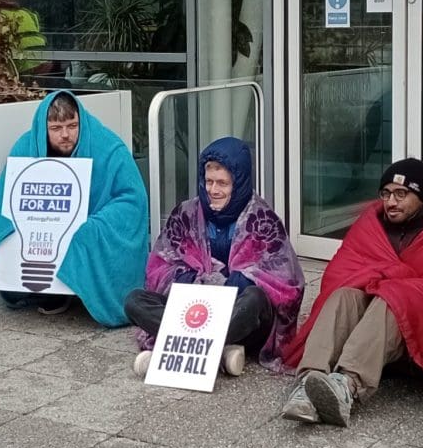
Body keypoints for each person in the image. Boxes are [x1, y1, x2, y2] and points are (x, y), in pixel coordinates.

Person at [280, 159, 423, 427]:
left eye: (401, 194)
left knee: (393, 299)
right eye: (386, 193)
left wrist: (392, 281)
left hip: (410, 326)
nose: (391, 202)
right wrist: (380, 279)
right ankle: (309, 381)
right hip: (369, 312)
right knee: (342, 294)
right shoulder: (371, 223)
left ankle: (347, 385)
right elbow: (342, 270)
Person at [125, 137, 305, 379]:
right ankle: (220, 351)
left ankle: (174, 349)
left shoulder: (263, 220)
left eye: (223, 183)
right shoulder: (185, 214)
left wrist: (235, 283)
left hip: (238, 312)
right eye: (208, 181)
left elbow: (287, 284)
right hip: (192, 307)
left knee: (255, 299)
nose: (213, 190)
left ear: (238, 183)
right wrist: (192, 280)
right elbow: (160, 266)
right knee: (134, 300)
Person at [0, 90, 148, 327]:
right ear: (43, 127)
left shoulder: (109, 148)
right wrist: (8, 226)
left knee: (86, 232)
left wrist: (97, 225)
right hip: (43, 238)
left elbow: (133, 198)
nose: (65, 135)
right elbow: (2, 197)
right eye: (56, 128)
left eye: (72, 126)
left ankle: (84, 290)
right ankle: (48, 292)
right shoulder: (25, 147)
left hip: (90, 223)